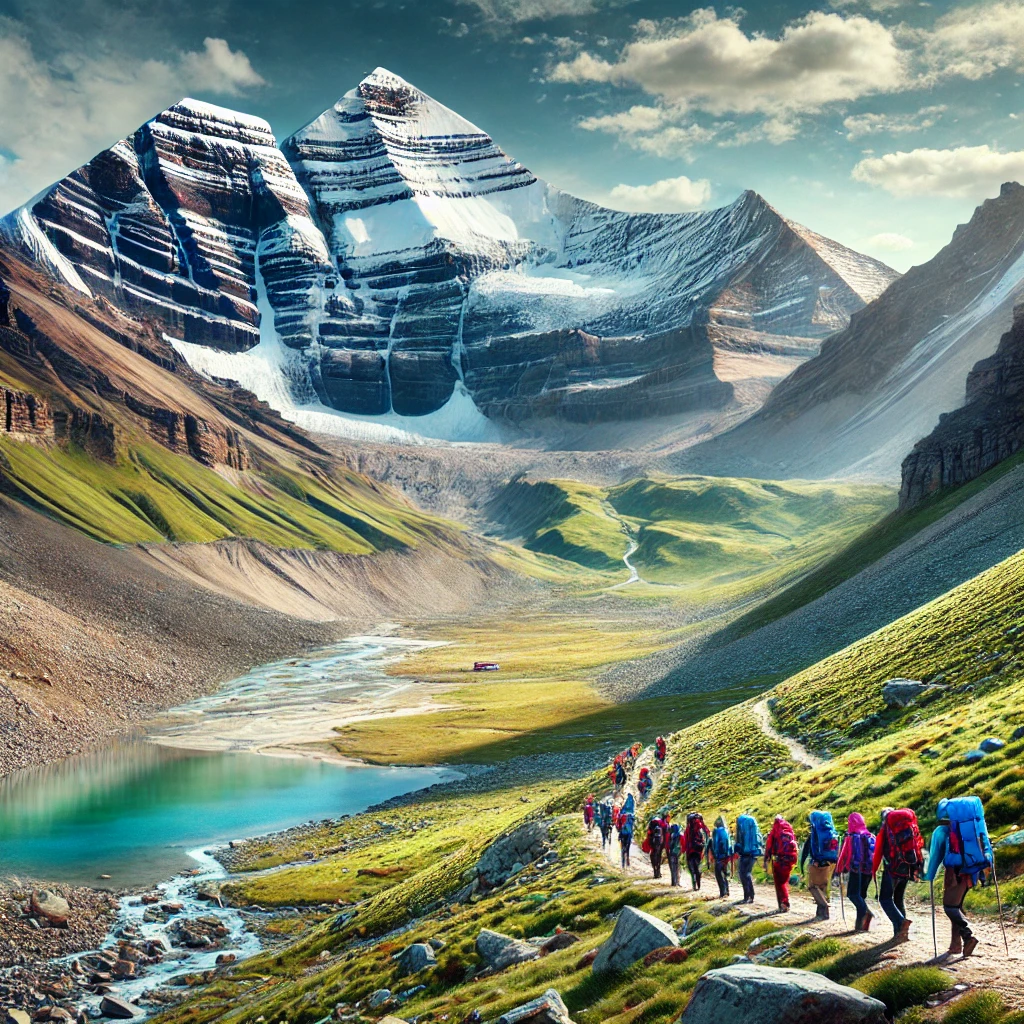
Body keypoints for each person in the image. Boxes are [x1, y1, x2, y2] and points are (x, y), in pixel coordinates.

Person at [922, 798, 988, 958]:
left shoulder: (941, 832)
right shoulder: (976, 826)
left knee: (949, 907)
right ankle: (955, 945)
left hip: (955, 874)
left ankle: (968, 936)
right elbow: (987, 849)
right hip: (972, 872)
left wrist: (928, 876)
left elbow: (935, 858)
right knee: (956, 907)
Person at [872, 807, 924, 942]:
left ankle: (901, 924)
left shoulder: (887, 830)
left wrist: (875, 869)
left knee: (885, 899)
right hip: (907, 867)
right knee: (898, 899)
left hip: (893, 868)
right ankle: (900, 934)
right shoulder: (907, 826)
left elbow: (880, 850)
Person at [836, 812, 876, 932]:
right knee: (861, 896)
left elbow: (849, 855)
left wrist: (841, 869)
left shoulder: (852, 836)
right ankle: (860, 926)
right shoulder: (870, 836)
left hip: (856, 869)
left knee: (852, 894)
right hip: (868, 871)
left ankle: (866, 913)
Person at [800, 810, 839, 921]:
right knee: (823, 886)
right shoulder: (831, 831)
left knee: (812, 886)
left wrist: (803, 866)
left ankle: (824, 906)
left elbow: (807, 850)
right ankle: (823, 914)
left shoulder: (815, 832)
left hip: (817, 862)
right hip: (831, 862)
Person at [764, 815, 799, 912]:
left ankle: (783, 905)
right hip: (790, 859)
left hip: (780, 860)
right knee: (784, 881)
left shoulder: (775, 831)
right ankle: (784, 904)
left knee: (780, 883)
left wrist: (766, 859)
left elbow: (769, 847)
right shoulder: (789, 829)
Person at [734, 812, 763, 904]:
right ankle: (751, 895)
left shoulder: (741, 825)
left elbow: (739, 842)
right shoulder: (753, 826)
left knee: (743, 874)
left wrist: (736, 850)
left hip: (745, 854)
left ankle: (747, 896)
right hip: (754, 853)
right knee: (747, 874)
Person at [684, 812, 711, 891]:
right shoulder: (700, 826)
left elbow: (686, 839)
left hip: (690, 851)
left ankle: (694, 883)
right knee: (697, 867)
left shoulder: (688, 829)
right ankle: (698, 883)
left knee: (691, 868)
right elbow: (707, 833)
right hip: (698, 850)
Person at [710, 816, 734, 898]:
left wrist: (715, 855)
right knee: (725, 873)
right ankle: (727, 891)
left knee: (718, 874)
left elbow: (716, 844)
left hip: (720, 856)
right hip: (727, 856)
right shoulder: (726, 831)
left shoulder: (717, 831)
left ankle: (722, 892)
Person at [645, 811, 668, 879]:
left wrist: (649, 842)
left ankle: (655, 871)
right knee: (659, 856)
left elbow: (649, 833)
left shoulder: (652, 823)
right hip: (661, 842)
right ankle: (658, 871)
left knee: (653, 855)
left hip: (653, 842)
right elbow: (666, 833)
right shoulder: (663, 823)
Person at [618, 794, 636, 869]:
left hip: (622, 832)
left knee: (622, 846)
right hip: (628, 833)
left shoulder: (622, 812)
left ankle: (623, 862)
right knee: (628, 846)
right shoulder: (631, 814)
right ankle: (627, 858)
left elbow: (619, 823)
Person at [666, 821, 683, 887]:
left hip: (672, 853)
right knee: (678, 868)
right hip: (679, 853)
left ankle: (674, 882)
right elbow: (683, 844)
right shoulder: (680, 835)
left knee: (673, 868)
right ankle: (678, 882)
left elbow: (668, 845)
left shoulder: (670, 835)